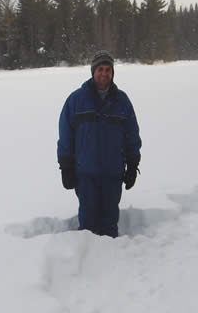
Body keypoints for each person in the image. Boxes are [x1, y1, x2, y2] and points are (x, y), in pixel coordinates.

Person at [57, 50, 142, 238]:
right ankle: (88, 261)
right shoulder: (76, 100)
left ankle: (112, 261)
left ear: (112, 73)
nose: (104, 74)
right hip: (86, 174)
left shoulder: (122, 102)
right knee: (88, 223)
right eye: (100, 70)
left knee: (110, 222)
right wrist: (66, 167)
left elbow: (132, 135)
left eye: (108, 70)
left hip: (113, 174)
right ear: (93, 72)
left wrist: (133, 164)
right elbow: (65, 136)